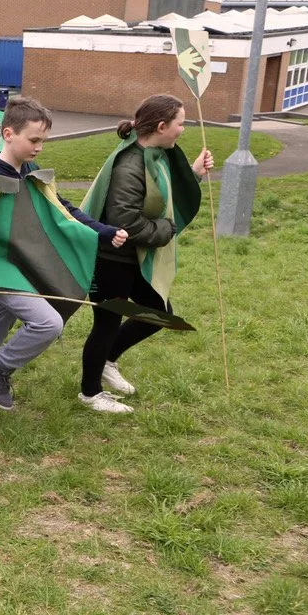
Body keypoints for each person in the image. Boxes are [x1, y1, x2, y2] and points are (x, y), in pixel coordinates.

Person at [0, 97, 125, 431]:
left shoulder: (29, 173)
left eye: (44, 140)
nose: (40, 147)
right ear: (8, 133)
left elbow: (63, 209)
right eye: (34, 140)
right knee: (47, 324)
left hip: (26, 269)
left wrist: (102, 232)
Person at [77, 94, 212, 414]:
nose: (183, 129)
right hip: (111, 259)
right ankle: (90, 393)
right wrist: (167, 231)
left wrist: (193, 173)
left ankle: (108, 361)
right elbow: (126, 221)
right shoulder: (130, 165)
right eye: (181, 123)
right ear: (162, 126)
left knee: (158, 313)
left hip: (134, 259)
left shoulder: (155, 154)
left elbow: (161, 196)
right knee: (107, 323)